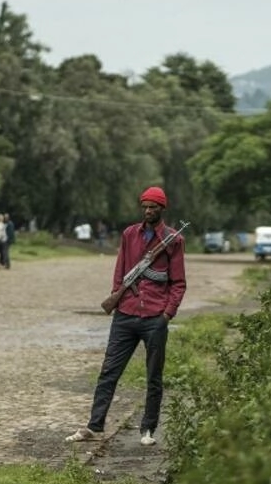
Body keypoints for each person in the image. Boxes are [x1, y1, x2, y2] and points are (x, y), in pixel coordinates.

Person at [66, 186, 186, 448]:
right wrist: (117, 295)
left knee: (153, 376)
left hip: (155, 316)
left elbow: (178, 283)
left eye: (153, 207)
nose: (148, 211)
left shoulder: (173, 240)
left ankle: (148, 429)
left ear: (162, 209)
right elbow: (120, 271)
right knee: (108, 372)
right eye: (144, 206)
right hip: (125, 313)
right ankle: (94, 426)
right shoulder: (129, 234)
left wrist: (167, 314)